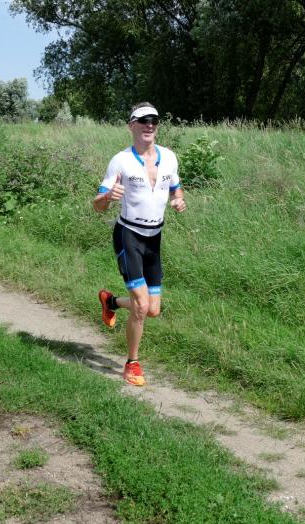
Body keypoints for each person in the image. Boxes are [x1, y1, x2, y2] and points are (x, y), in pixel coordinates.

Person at [93, 102, 186, 386]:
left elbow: (176, 188)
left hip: (154, 238)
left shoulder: (169, 157)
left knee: (152, 309)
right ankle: (132, 364)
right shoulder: (120, 160)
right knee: (142, 306)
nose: (149, 125)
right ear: (131, 125)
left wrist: (179, 200)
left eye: (154, 120)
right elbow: (97, 205)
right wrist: (107, 197)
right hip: (128, 235)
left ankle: (110, 302)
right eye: (143, 120)